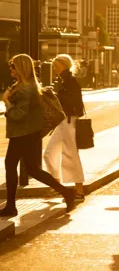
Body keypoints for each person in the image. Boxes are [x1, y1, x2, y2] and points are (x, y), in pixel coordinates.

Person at [1, 54, 76, 217]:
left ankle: (11, 207)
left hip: (24, 134)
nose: (10, 68)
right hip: (26, 133)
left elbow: (19, 115)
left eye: (13, 66)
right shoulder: (22, 86)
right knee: (33, 169)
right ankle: (66, 192)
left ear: (20, 68)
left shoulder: (27, 89)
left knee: (10, 164)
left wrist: (6, 102)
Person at [43, 54, 86, 201]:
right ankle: (58, 186)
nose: (55, 69)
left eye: (57, 66)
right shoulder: (63, 80)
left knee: (71, 155)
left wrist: (54, 95)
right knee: (48, 153)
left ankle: (79, 191)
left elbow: (73, 101)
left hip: (69, 121)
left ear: (64, 65)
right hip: (62, 122)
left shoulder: (71, 81)